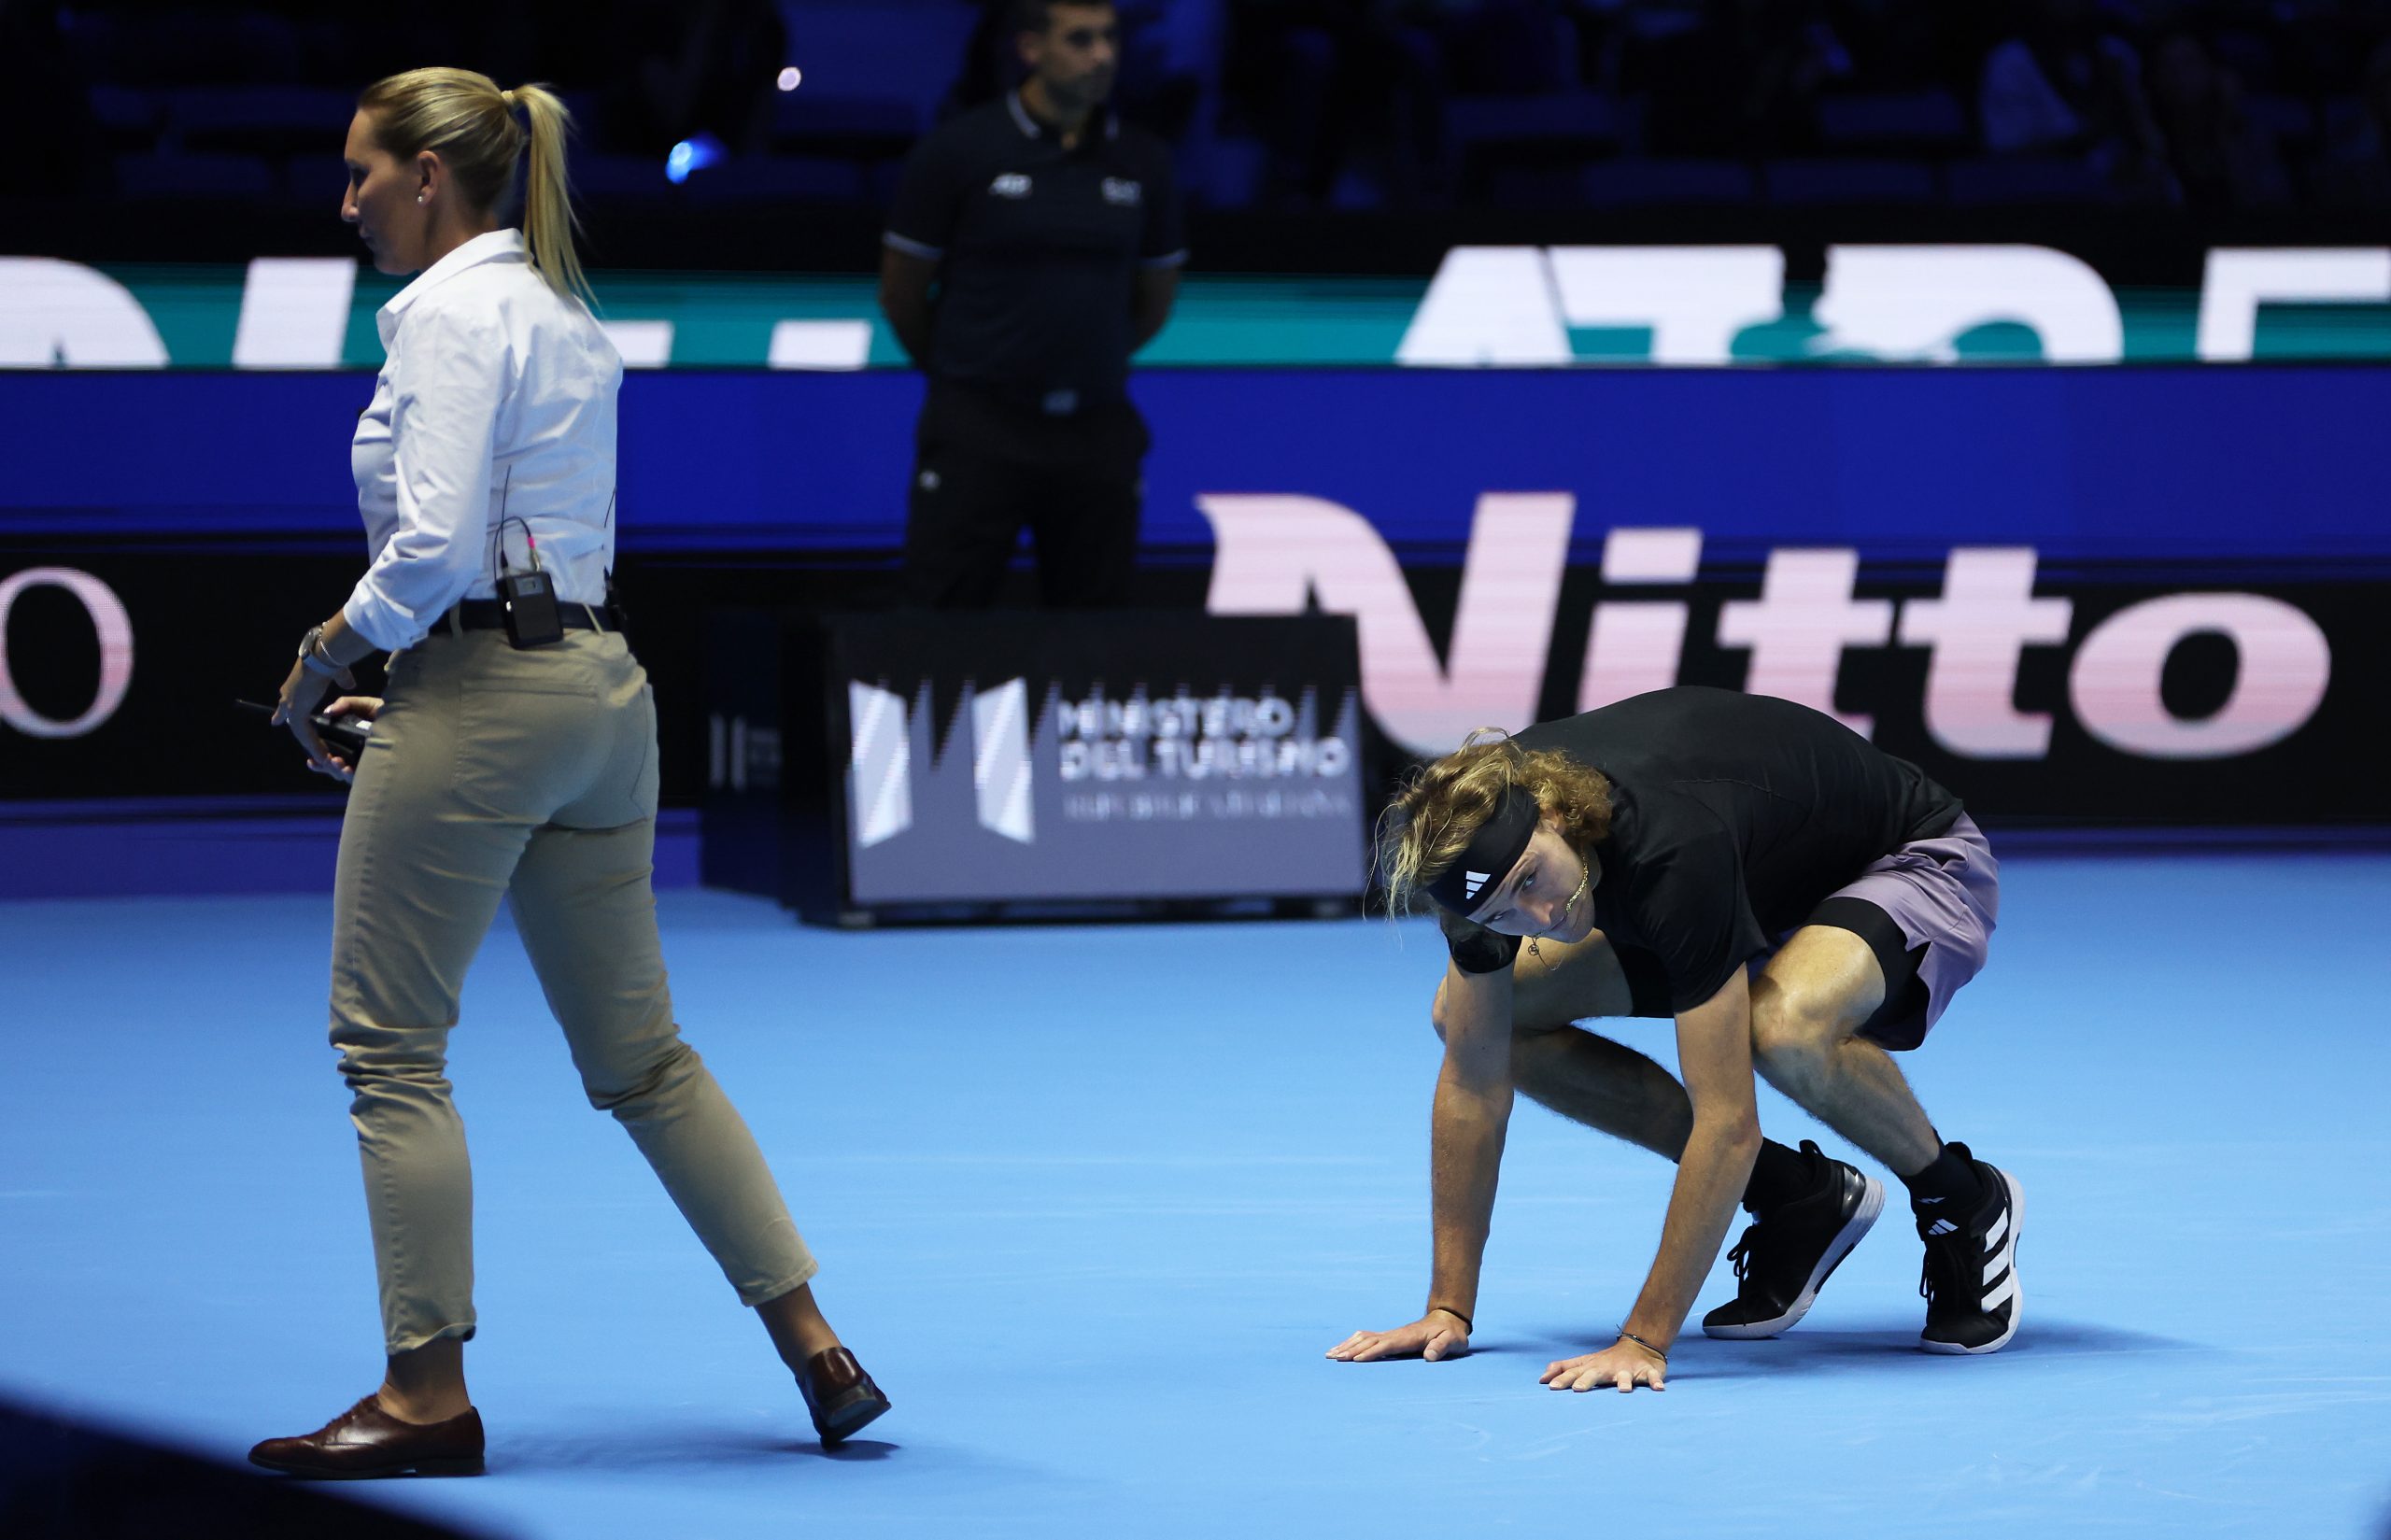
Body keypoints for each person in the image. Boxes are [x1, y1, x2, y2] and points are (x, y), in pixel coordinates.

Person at [249, 67, 887, 1478]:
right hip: (600, 696)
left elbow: (426, 553)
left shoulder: (449, 313)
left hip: (480, 694)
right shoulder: (562, 315)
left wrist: (318, 663)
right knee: (644, 1060)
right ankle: (817, 1344)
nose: (347, 201)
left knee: (391, 1048)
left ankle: (425, 1396)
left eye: (363, 173)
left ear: (430, 175)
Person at [1328, 686, 2021, 1392]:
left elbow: (1728, 1123)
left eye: (1532, 878)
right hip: (1757, 878)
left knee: (1781, 1028)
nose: (1538, 916)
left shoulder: (1669, 845)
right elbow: (1473, 1080)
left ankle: (1962, 1199)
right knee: (1478, 1020)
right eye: (1506, 911)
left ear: (1557, 814)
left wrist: (1643, 1339)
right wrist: (1448, 1307)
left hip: (1908, 858)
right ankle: (1794, 1195)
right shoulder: (1478, 882)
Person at [880, 0, 1186, 609]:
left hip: (1097, 429)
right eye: (1080, 40)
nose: (1101, 55)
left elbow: (1153, 300)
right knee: (941, 621)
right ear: (1030, 49)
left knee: (1096, 632)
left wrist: (1083, 356)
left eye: (1108, 39)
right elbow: (903, 294)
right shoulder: (959, 152)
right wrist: (969, 367)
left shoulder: (1145, 163)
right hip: (979, 426)